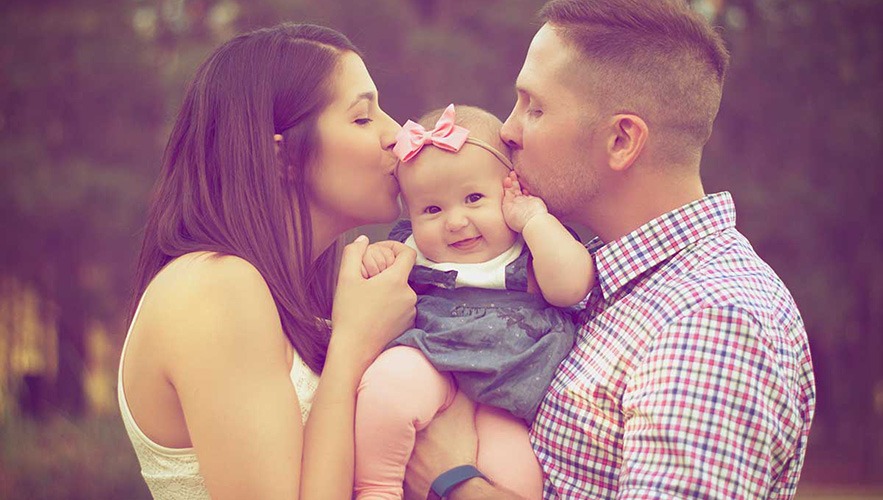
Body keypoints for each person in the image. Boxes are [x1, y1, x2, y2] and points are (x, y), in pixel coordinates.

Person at [404, 1, 817, 499]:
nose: (508, 131)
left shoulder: (713, 319)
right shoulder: (593, 275)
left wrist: (451, 480)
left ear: (621, 139)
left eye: (534, 108)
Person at [117, 23, 418, 499]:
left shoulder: (299, 295)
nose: (397, 135)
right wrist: (352, 345)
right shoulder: (214, 287)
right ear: (283, 159)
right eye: (362, 118)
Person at [352, 104, 594, 499]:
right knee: (385, 390)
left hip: (506, 398)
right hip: (431, 360)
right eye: (431, 209)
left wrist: (533, 219)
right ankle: (376, 489)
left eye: (474, 198)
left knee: (519, 481)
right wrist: (378, 260)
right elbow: (377, 290)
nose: (455, 221)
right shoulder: (412, 250)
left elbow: (571, 287)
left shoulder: (531, 247)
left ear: (513, 189)